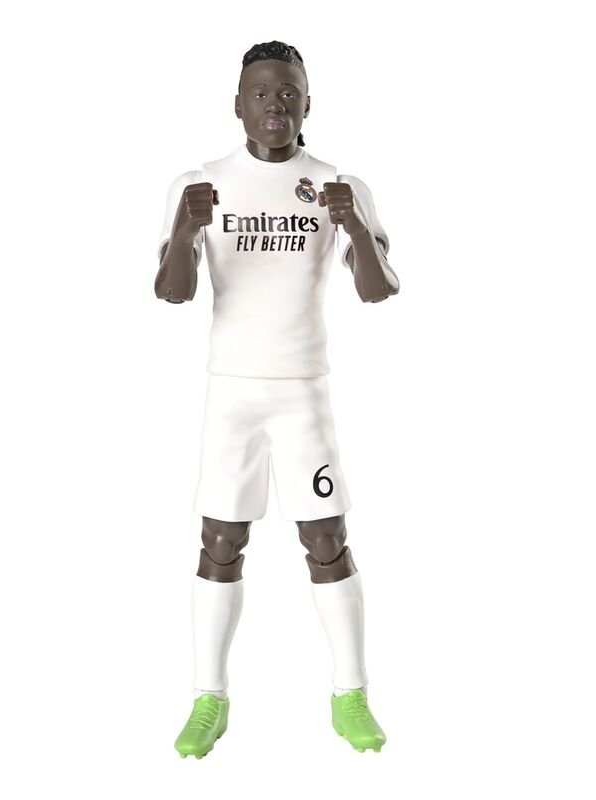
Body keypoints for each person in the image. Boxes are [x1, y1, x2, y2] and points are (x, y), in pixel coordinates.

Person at [155, 40, 399, 758]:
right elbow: (172, 292)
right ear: (237, 105)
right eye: (260, 94)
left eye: (288, 93)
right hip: (232, 394)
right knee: (220, 541)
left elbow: (379, 289)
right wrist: (184, 229)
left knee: (326, 539)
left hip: (303, 394)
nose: (275, 105)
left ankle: (351, 694)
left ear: (307, 103)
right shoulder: (200, 183)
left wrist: (355, 227)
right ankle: (208, 699)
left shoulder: (336, 184)